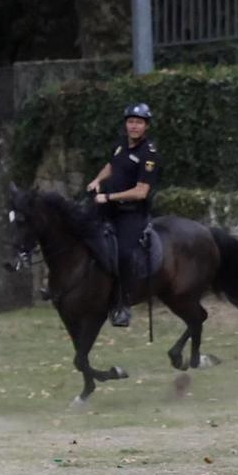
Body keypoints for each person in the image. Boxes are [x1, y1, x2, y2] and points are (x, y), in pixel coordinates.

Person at [85, 103, 159, 328]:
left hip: (132, 213)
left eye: (139, 122)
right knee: (80, 231)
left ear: (145, 126)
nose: (134, 126)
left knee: (124, 253)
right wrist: (97, 180)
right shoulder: (121, 147)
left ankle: (123, 304)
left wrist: (109, 197)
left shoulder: (149, 154)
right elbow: (111, 165)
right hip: (110, 207)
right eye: (131, 122)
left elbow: (141, 191)